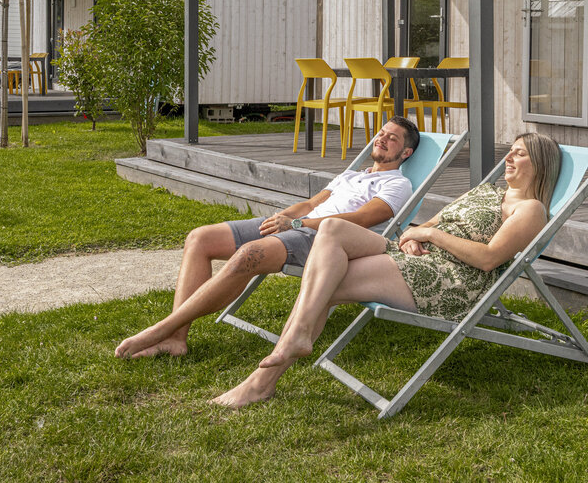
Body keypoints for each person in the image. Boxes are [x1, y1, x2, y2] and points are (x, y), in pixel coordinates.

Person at [211, 131, 561, 409]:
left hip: (449, 280)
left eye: (519, 154)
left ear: (540, 164)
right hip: (417, 257)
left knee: (324, 285)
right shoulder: (484, 191)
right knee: (331, 229)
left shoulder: (531, 209)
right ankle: (293, 342)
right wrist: (411, 237)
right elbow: (427, 225)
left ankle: (261, 383)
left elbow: (488, 259)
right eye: (510, 151)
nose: (507, 158)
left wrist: (429, 235)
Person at [115, 116, 422, 359]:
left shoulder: (397, 184)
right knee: (200, 238)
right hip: (297, 224)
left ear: (405, 153)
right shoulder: (351, 175)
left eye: (392, 138)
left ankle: (163, 329)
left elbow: (362, 219)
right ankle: (175, 339)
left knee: (249, 255)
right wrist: (282, 218)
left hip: (325, 241)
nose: (382, 139)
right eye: (381, 133)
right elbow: (311, 203)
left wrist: (299, 223)